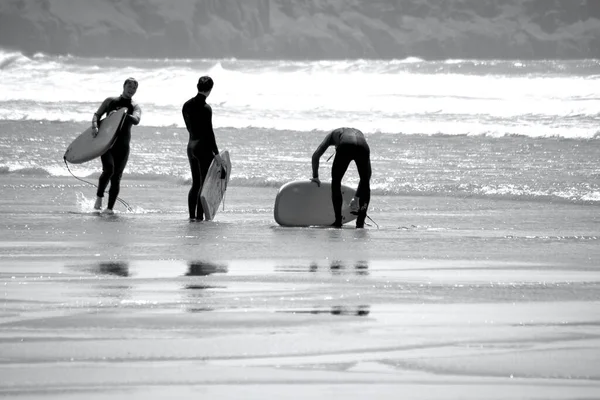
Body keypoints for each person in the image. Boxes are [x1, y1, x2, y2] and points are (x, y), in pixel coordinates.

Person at [92, 78, 142, 214]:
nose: (131, 90)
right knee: (108, 169)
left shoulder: (134, 107)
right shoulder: (110, 101)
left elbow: (136, 120)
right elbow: (97, 115)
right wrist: (95, 127)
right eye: (129, 86)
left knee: (116, 176)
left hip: (123, 145)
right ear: (124, 86)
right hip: (107, 142)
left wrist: (122, 114)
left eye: (134, 88)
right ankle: (99, 199)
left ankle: (109, 209)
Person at [310, 127, 372, 228]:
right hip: (363, 147)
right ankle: (360, 222)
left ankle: (338, 221)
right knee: (365, 182)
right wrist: (357, 196)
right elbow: (367, 177)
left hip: (345, 146)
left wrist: (315, 176)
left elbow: (315, 156)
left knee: (336, 182)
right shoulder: (358, 132)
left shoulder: (332, 135)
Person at [182, 76, 222, 220]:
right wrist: (216, 155)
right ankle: (199, 218)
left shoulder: (186, 105)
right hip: (203, 148)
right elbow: (209, 133)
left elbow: (189, 127)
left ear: (197, 86)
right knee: (203, 185)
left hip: (191, 146)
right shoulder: (206, 109)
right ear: (210, 89)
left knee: (195, 184)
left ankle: (192, 217)